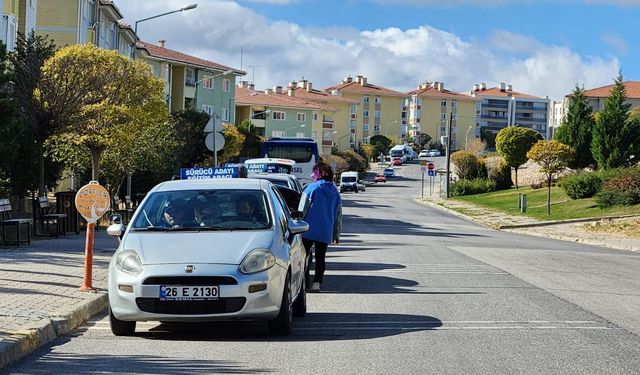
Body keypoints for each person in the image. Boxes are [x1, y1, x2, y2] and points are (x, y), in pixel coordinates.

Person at [298, 161, 342, 292]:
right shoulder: (335, 191)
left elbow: (302, 210)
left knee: (303, 257)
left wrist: (296, 224)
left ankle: (303, 282)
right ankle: (317, 283)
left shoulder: (312, 188)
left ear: (317, 174)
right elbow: (338, 215)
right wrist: (336, 234)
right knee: (320, 258)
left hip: (307, 229)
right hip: (325, 230)